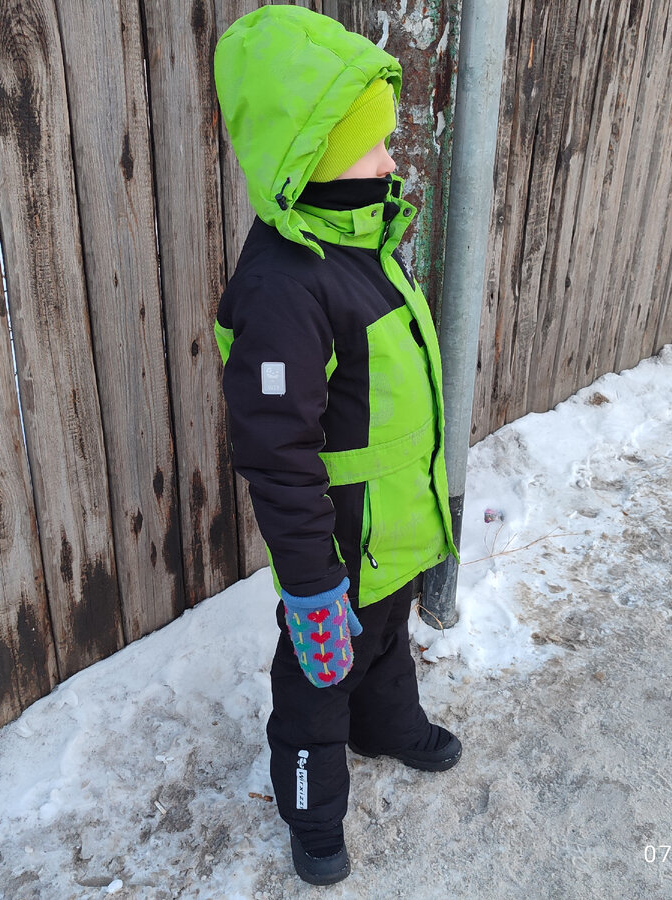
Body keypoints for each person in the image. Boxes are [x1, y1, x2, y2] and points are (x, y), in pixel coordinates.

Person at [213, 6, 462, 886]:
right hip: (335, 549)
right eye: (369, 147)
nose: (390, 162)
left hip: (388, 531)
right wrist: (312, 586)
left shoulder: (362, 240)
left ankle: (387, 724)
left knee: (388, 641)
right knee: (318, 682)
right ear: (310, 156)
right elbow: (276, 449)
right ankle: (312, 808)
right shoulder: (284, 287)